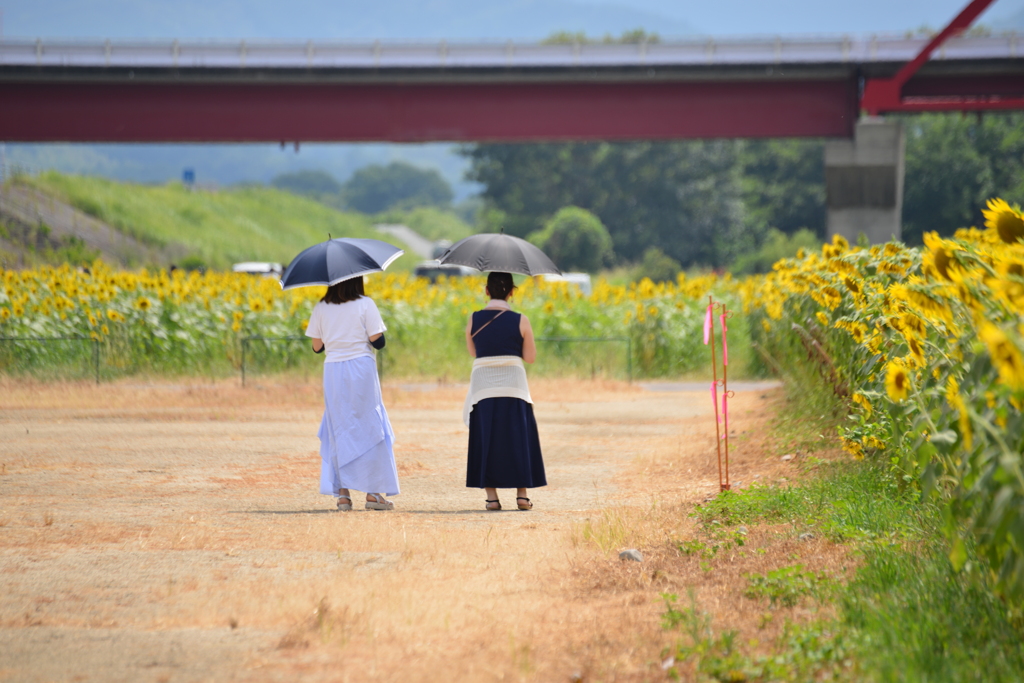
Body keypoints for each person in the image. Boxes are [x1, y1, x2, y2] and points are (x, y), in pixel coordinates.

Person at [306, 276, 398, 511]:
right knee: (369, 425)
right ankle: (373, 493)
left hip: (334, 370)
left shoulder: (321, 307)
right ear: (356, 279)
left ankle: (343, 496)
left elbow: (317, 347)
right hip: (361, 368)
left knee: (339, 427)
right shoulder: (365, 304)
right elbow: (378, 341)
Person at [464, 271, 546, 511]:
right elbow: (530, 357)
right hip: (514, 382)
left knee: (486, 435)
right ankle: (522, 495)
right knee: (517, 436)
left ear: (486, 290)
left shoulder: (474, 318)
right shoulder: (521, 320)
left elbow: (472, 352)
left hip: (482, 385)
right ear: (512, 291)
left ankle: (492, 498)